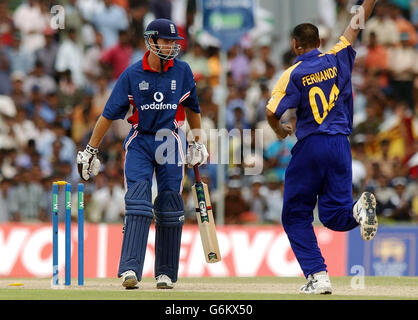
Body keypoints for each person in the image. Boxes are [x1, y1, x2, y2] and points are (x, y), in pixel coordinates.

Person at [76, 18, 208, 290]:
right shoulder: (132, 74)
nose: (172, 47)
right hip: (140, 140)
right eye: (167, 41)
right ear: (151, 41)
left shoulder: (182, 71)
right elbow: (108, 115)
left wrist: (196, 142)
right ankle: (129, 269)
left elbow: (193, 109)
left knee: (171, 205)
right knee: (138, 201)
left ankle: (165, 273)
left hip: (170, 139)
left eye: (175, 42)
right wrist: (90, 149)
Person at [266, 0, 379, 294]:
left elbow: (271, 112)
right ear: (319, 42)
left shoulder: (293, 73)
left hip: (312, 144)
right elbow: (355, 25)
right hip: (341, 144)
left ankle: (318, 276)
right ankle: (358, 211)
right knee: (333, 214)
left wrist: (280, 131)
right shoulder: (338, 56)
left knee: (295, 214)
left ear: (295, 45)